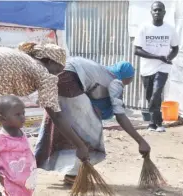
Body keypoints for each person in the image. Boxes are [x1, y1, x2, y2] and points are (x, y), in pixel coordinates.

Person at [0, 42, 89, 196]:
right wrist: (80, 145)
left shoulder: (24, 60)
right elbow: (56, 115)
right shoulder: (41, 71)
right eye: (58, 69)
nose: (58, 74)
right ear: (48, 61)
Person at [35, 57, 151, 185]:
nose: (129, 82)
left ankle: (39, 163)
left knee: (60, 120)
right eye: (130, 79)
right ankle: (75, 173)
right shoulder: (115, 81)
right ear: (127, 77)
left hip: (61, 73)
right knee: (91, 127)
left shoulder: (100, 72)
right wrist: (141, 141)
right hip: (70, 77)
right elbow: (120, 116)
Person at [134, 1, 179, 132]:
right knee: (151, 96)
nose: (157, 12)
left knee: (156, 92)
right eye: (155, 10)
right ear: (151, 12)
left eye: (160, 10)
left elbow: (175, 48)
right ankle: (156, 123)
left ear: (164, 12)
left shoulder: (170, 29)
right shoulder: (144, 28)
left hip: (163, 68)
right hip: (147, 68)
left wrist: (168, 58)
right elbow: (137, 50)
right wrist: (158, 57)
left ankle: (154, 123)